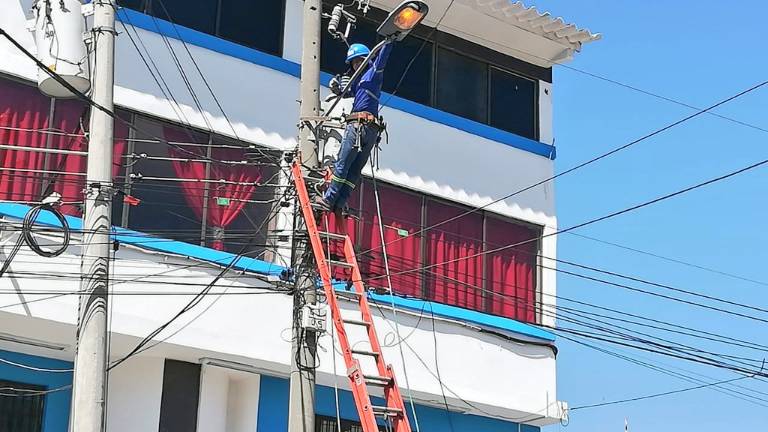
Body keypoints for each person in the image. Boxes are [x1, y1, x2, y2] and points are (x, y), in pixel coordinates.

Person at [314, 41, 393, 213]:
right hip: (369, 130)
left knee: (344, 165)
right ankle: (340, 202)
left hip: (360, 127)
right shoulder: (358, 84)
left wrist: (390, 39)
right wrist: (338, 86)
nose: (357, 64)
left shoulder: (373, 73)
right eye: (354, 62)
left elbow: (383, 58)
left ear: (367, 60)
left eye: (359, 61)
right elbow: (346, 91)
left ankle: (329, 199)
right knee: (352, 170)